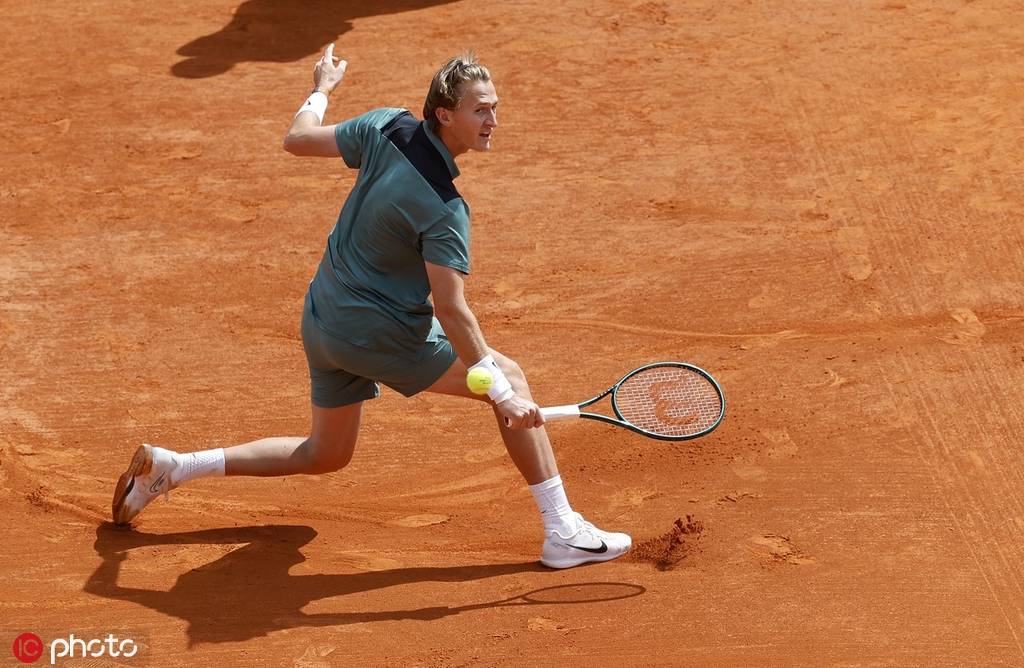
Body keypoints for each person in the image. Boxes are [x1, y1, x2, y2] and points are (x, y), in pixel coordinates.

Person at [111, 45, 631, 569]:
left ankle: (174, 468)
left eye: (494, 107)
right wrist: (500, 392)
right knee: (512, 379)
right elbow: (452, 310)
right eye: (480, 110)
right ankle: (563, 531)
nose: (493, 120)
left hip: (323, 317)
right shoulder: (444, 209)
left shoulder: (386, 125)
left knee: (326, 454)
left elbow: (297, 139)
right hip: (376, 335)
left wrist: (322, 88)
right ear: (445, 114)